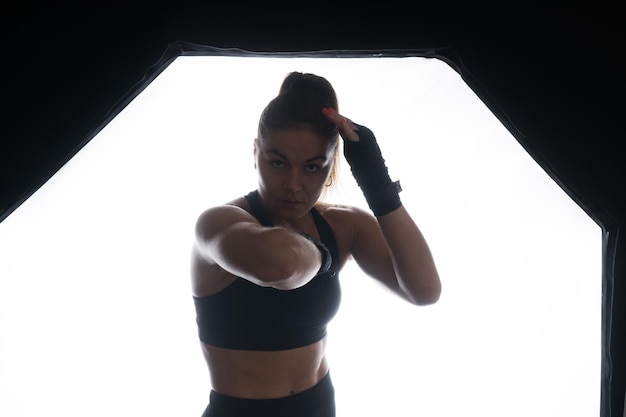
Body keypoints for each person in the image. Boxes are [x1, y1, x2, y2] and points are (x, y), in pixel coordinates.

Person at [191, 71, 441, 417]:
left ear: (329, 165)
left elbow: (424, 290)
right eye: (278, 162)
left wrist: (377, 184)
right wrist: (325, 257)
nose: (293, 184)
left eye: (312, 167)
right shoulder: (219, 224)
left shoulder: (342, 225)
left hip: (318, 405)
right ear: (255, 152)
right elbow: (280, 265)